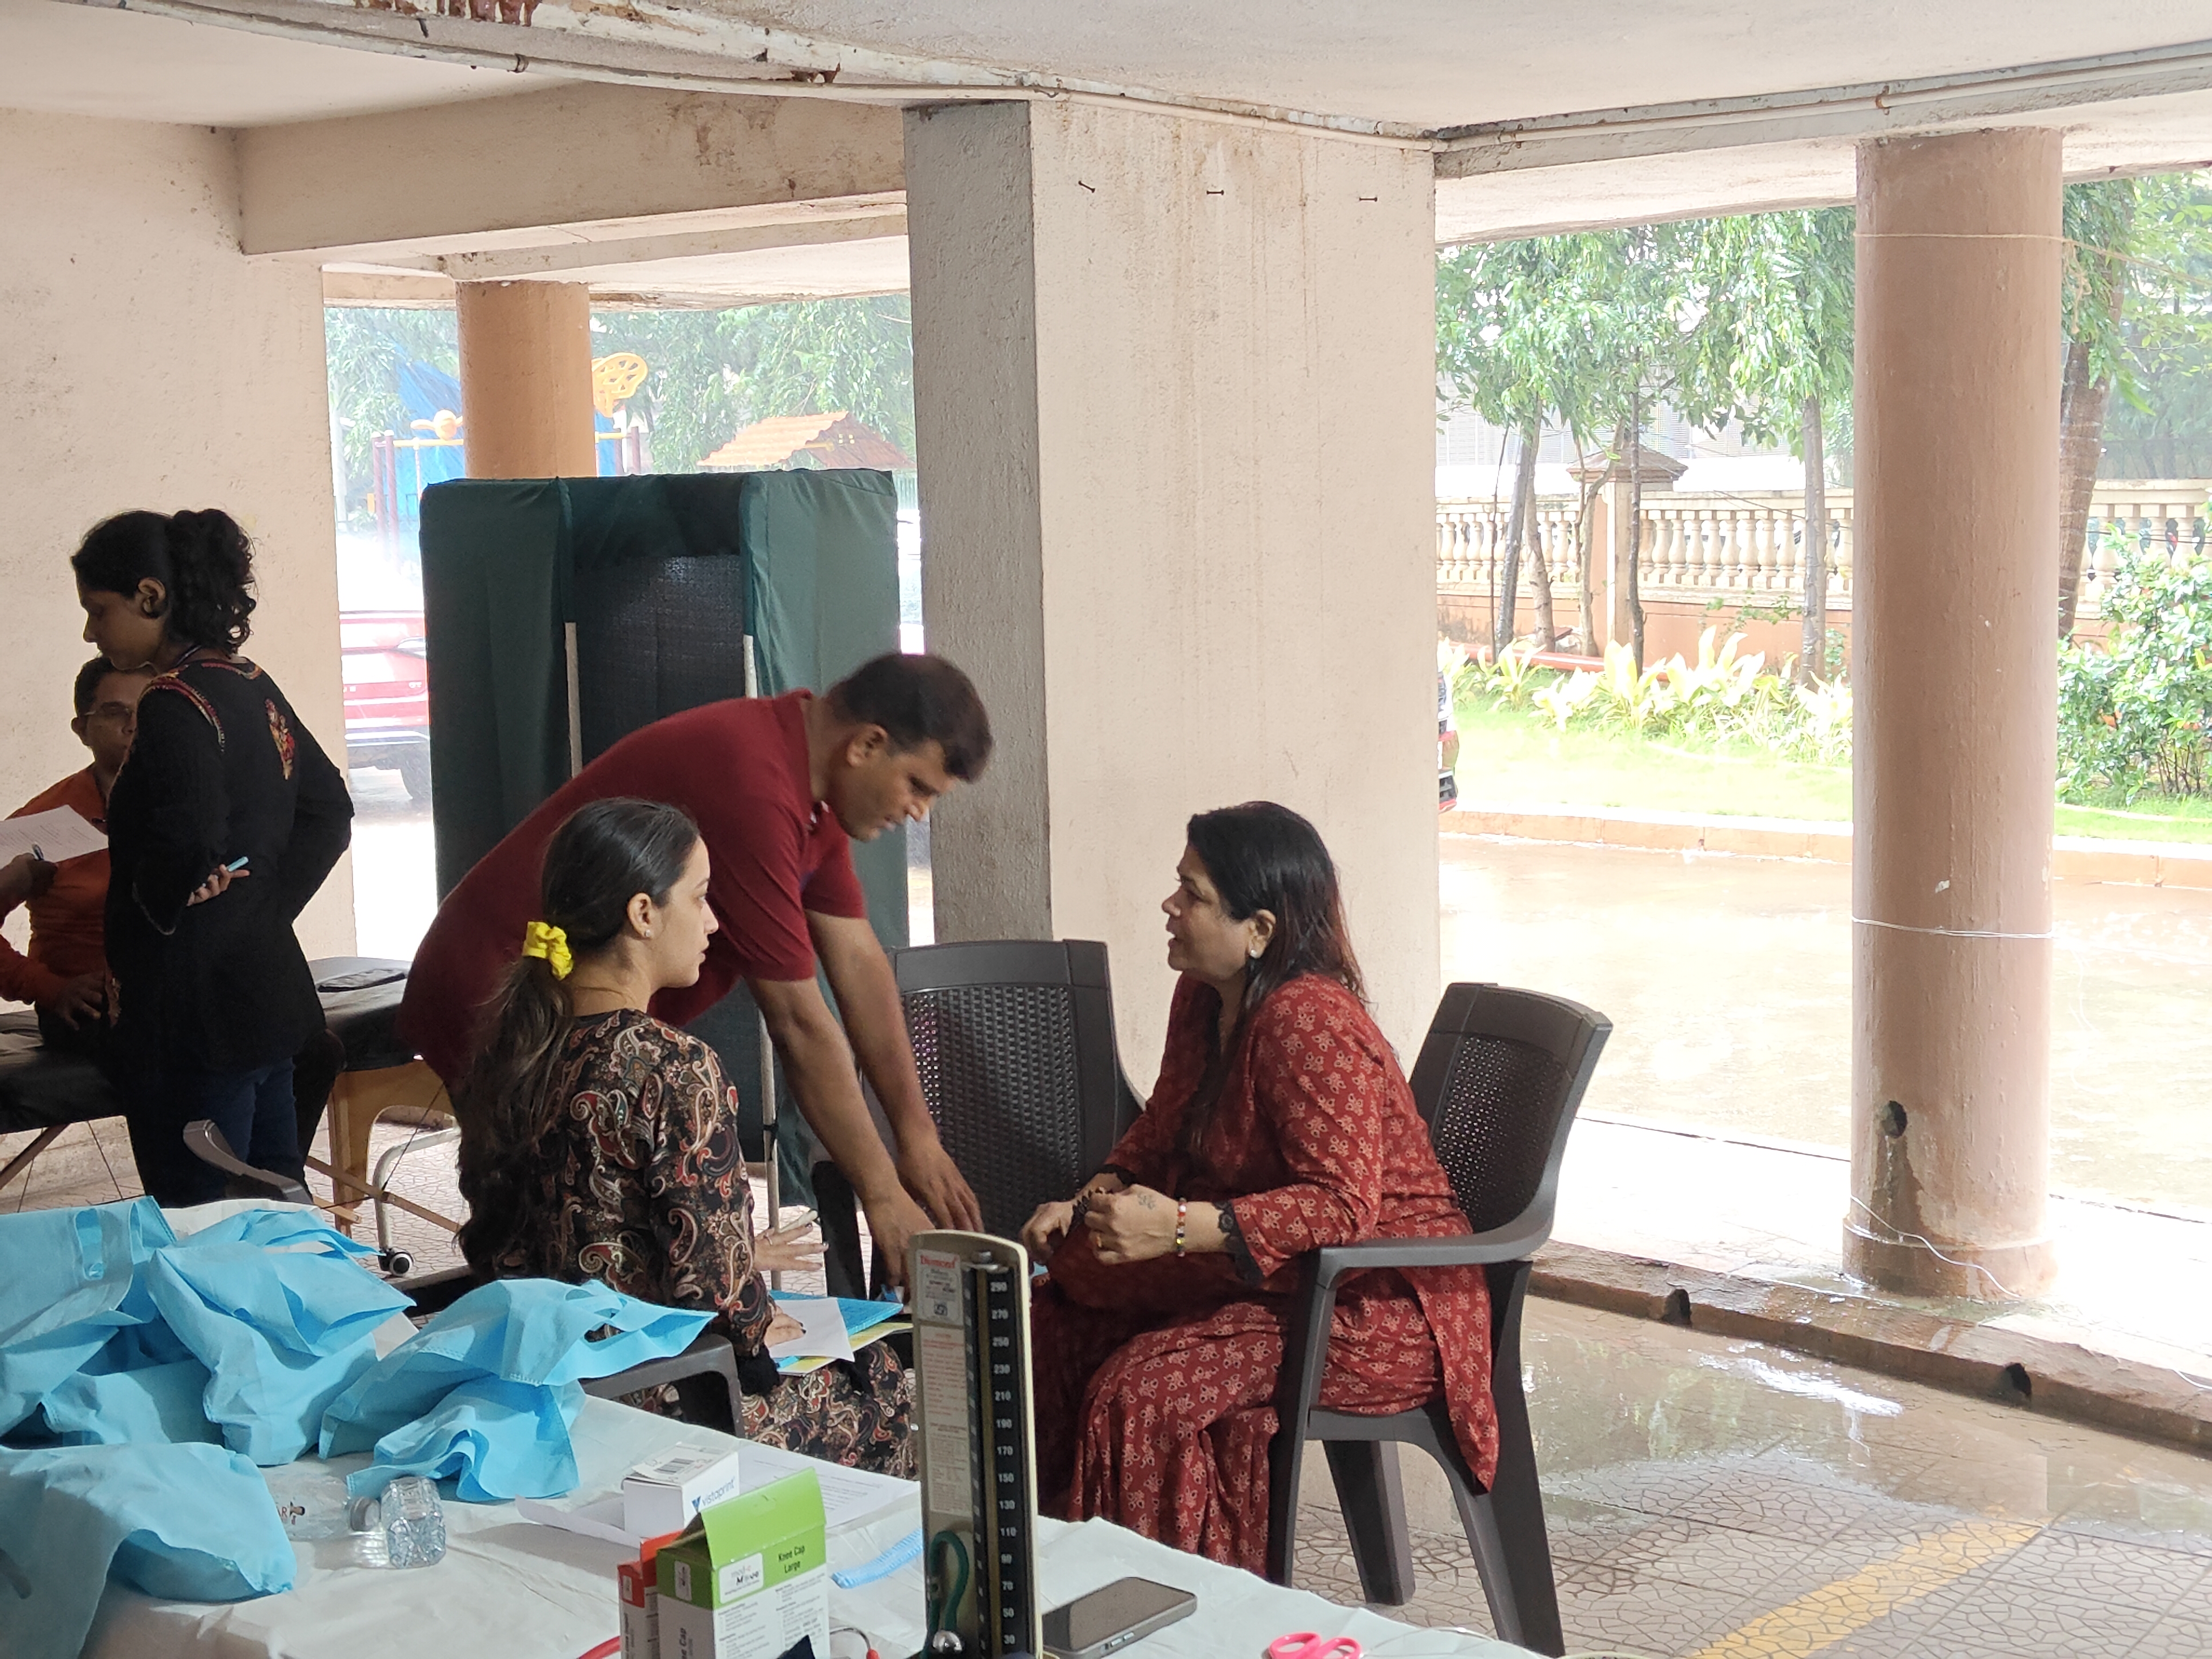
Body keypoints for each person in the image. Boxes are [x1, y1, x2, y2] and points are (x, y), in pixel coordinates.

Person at [401, 652, 993, 1284]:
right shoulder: (753, 782)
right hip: (499, 988)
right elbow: (798, 1022)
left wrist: (917, 1135)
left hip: (591, 1017)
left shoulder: (810, 790)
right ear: (867, 745)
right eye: (919, 787)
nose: (919, 813)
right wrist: (882, 1194)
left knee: (610, 1230)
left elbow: (858, 960)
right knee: (556, 1234)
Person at [1020, 802, 1498, 1573]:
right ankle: (1058, 1587)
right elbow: (1163, 1126)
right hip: (1278, 1274)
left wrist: (1176, 1228)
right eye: (1179, 886)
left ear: (1261, 931)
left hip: (1376, 1300)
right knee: (1054, 1318)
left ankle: (1175, 1616)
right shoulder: (1203, 996)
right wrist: (1092, 1200)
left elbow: (1344, 1204)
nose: (1170, 907)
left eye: (1194, 895)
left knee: (1140, 1397)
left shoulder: (1307, 1022)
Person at [455, 797, 911, 1474]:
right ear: (643, 914)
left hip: (548, 1381)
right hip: (666, 1396)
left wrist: (741, 1262)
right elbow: (716, 1298)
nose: (713, 922)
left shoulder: (519, 1050)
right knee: (889, 1377)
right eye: (698, 899)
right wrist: (754, 1317)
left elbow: (561, 1243)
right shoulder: (672, 1067)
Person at [74, 508, 354, 1207]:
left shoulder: (172, 702)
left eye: (97, 610)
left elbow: (191, 836)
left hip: (192, 1018)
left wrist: (159, 916)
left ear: (150, 597)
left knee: (207, 1226)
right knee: (275, 1209)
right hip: (263, 997)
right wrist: (256, 910)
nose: (90, 633)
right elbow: (329, 812)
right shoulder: (250, 680)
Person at [0, 658, 153, 1051]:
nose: (134, 724)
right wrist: (47, 987)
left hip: (175, 988)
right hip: (88, 1003)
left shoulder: (187, 804)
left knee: (304, 1043)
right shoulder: (43, 821)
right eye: (116, 712)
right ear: (82, 729)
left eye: (148, 709)